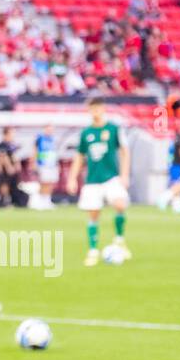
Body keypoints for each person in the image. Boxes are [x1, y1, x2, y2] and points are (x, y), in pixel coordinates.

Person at [66, 97, 130, 266]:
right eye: (92, 109)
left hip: (112, 177)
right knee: (94, 214)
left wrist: (124, 174)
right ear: (89, 111)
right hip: (93, 180)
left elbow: (124, 151)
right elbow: (79, 157)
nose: (95, 112)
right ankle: (93, 250)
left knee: (120, 204)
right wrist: (72, 178)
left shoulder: (113, 129)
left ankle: (119, 240)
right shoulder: (86, 133)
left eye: (98, 108)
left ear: (103, 109)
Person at [158, 120, 180, 214]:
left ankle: (177, 207)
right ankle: (163, 198)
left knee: (177, 185)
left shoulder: (176, 137)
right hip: (177, 165)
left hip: (173, 164)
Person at [34, 124, 58, 210]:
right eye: (48, 129)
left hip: (52, 164)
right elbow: (35, 150)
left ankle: (47, 200)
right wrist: (35, 162)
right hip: (43, 164)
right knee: (44, 182)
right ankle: (40, 201)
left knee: (50, 182)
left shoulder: (52, 139)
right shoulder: (40, 138)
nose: (50, 131)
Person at [0, 126, 21, 207]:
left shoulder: (11, 144)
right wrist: (9, 166)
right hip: (5, 169)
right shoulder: (3, 144)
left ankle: (10, 200)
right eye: (11, 133)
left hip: (11, 168)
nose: (13, 135)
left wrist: (17, 164)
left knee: (10, 184)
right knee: (4, 184)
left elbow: (14, 155)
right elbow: (3, 156)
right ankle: (5, 200)